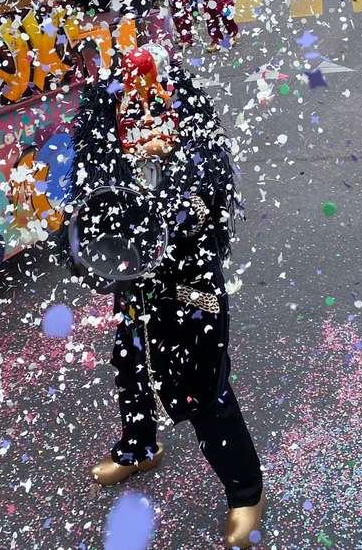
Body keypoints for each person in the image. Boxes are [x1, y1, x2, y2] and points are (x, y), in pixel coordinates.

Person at [67, 45, 265, 548]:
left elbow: (205, 218)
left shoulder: (197, 163)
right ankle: (139, 446)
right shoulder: (107, 160)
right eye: (132, 110)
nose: (146, 121)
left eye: (156, 106)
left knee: (205, 390)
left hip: (193, 290)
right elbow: (90, 230)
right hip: (137, 290)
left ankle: (245, 492)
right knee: (131, 367)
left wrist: (167, 207)